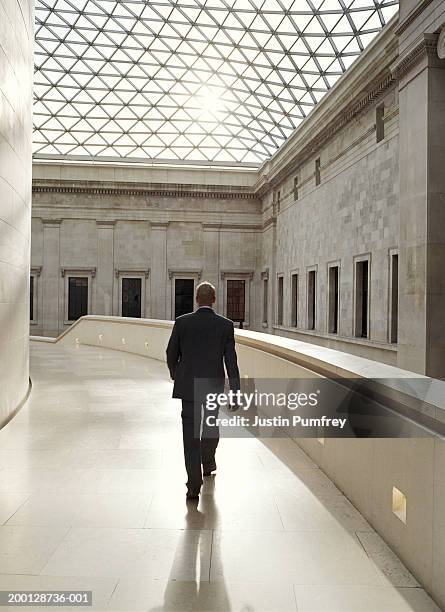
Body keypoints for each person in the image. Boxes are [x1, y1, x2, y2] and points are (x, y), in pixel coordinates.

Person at [166, 281, 240, 499]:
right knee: (210, 427)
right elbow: (231, 361)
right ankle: (207, 463)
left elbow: (171, 353)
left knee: (190, 436)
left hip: (188, 386)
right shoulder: (225, 325)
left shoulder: (182, 323)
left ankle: (193, 486)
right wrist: (235, 390)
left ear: (196, 299)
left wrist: (176, 374)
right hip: (212, 387)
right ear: (214, 299)